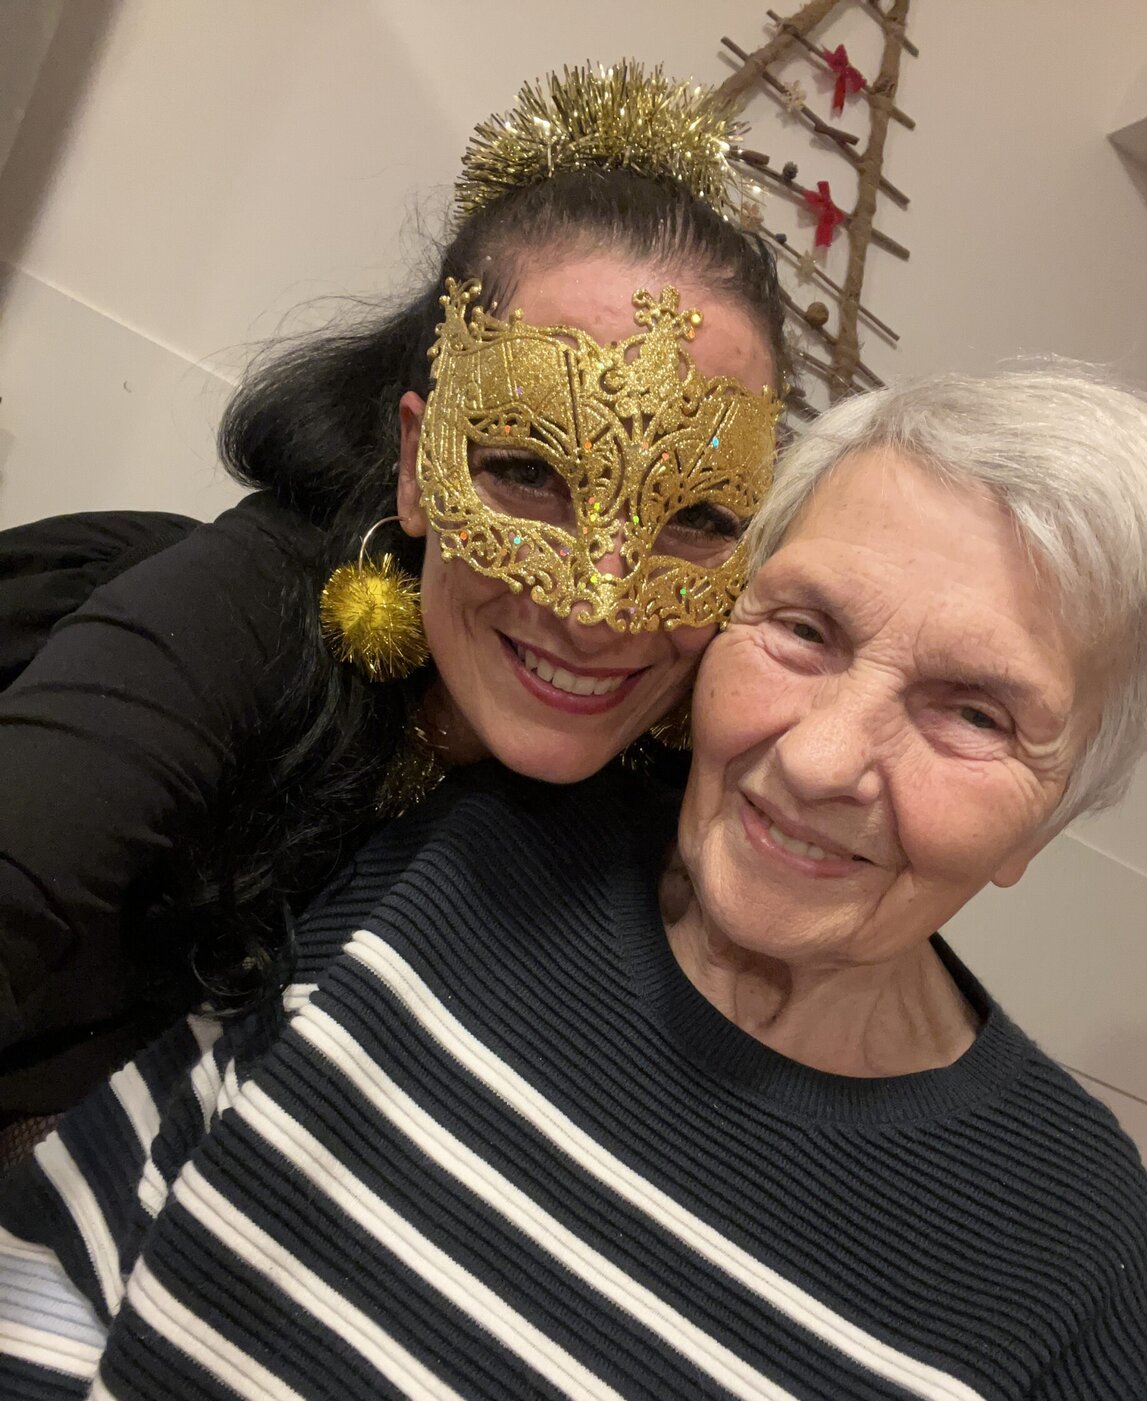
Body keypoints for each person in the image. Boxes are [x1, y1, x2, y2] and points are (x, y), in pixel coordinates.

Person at [3, 364, 1147, 1401]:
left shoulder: (1069, 1241)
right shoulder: (472, 859)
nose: (822, 757)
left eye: (977, 715)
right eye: (803, 629)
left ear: (1053, 815)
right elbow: (60, 1264)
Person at [0, 63, 784, 1124]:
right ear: (418, 465)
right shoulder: (248, 610)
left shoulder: (685, 799)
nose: (598, 606)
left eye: (697, 517)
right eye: (529, 471)